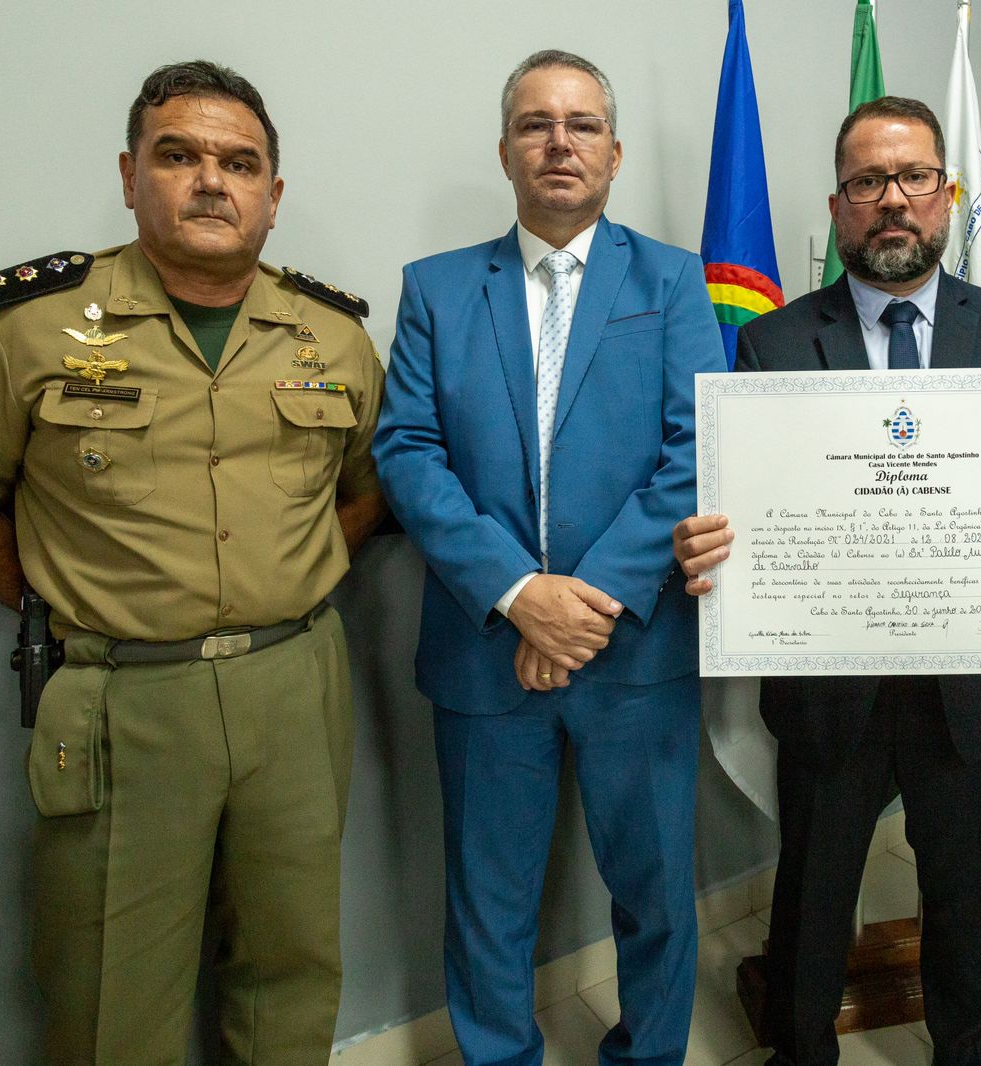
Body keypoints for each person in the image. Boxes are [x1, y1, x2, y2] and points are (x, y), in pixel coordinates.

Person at [0, 60, 386, 1064]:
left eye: (240, 162)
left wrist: (301, 572)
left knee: (291, 974)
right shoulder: (27, 324)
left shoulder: (330, 332)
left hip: (296, 686)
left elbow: (367, 486)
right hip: (123, 700)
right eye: (179, 154)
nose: (211, 179)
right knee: (113, 999)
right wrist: (65, 599)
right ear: (128, 174)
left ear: (272, 197)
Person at [672, 96, 981, 1066]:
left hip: (966, 694)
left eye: (913, 178)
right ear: (838, 206)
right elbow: (748, 509)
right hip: (826, 690)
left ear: (947, 195)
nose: (892, 200)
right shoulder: (771, 342)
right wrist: (711, 549)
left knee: (965, 903)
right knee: (809, 899)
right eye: (867, 182)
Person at [372, 50, 724, 1066]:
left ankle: (649, 1054)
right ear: (504, 150)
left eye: (580, 124)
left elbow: (693, 446)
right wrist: (521, 595)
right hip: (486, 652)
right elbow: (407, 448)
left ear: (613, 153)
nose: (558, 142)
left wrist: (590, 603)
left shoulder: (672, 280)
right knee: (488, 901)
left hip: (635, 655)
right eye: (535, 124)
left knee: (656, 893)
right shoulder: (437, 290)